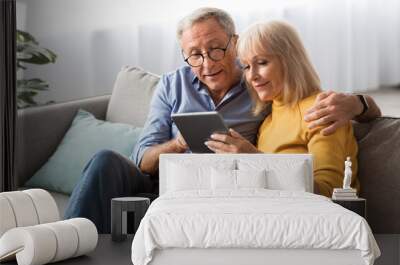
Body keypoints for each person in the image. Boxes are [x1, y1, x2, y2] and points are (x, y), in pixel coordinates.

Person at [65, 8, 381, 233]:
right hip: (162, 183)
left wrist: (359, 103)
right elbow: (142, 160)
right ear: (185, 55)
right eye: (194, 55)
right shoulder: (173, 84)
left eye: (216, 49)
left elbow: (304, 94)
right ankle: (69, 240)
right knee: (106, 161)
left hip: (217, 192)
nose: (207, 63)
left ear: (234, 43)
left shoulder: (260, 90)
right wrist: (177, 144)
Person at [205, 20, 379, 197]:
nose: (252, 76)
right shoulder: (267, 121)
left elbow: (330, 192)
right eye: (247, 66)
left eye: (262, 62)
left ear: (290, 61)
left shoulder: (321, 110)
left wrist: (254, 159)